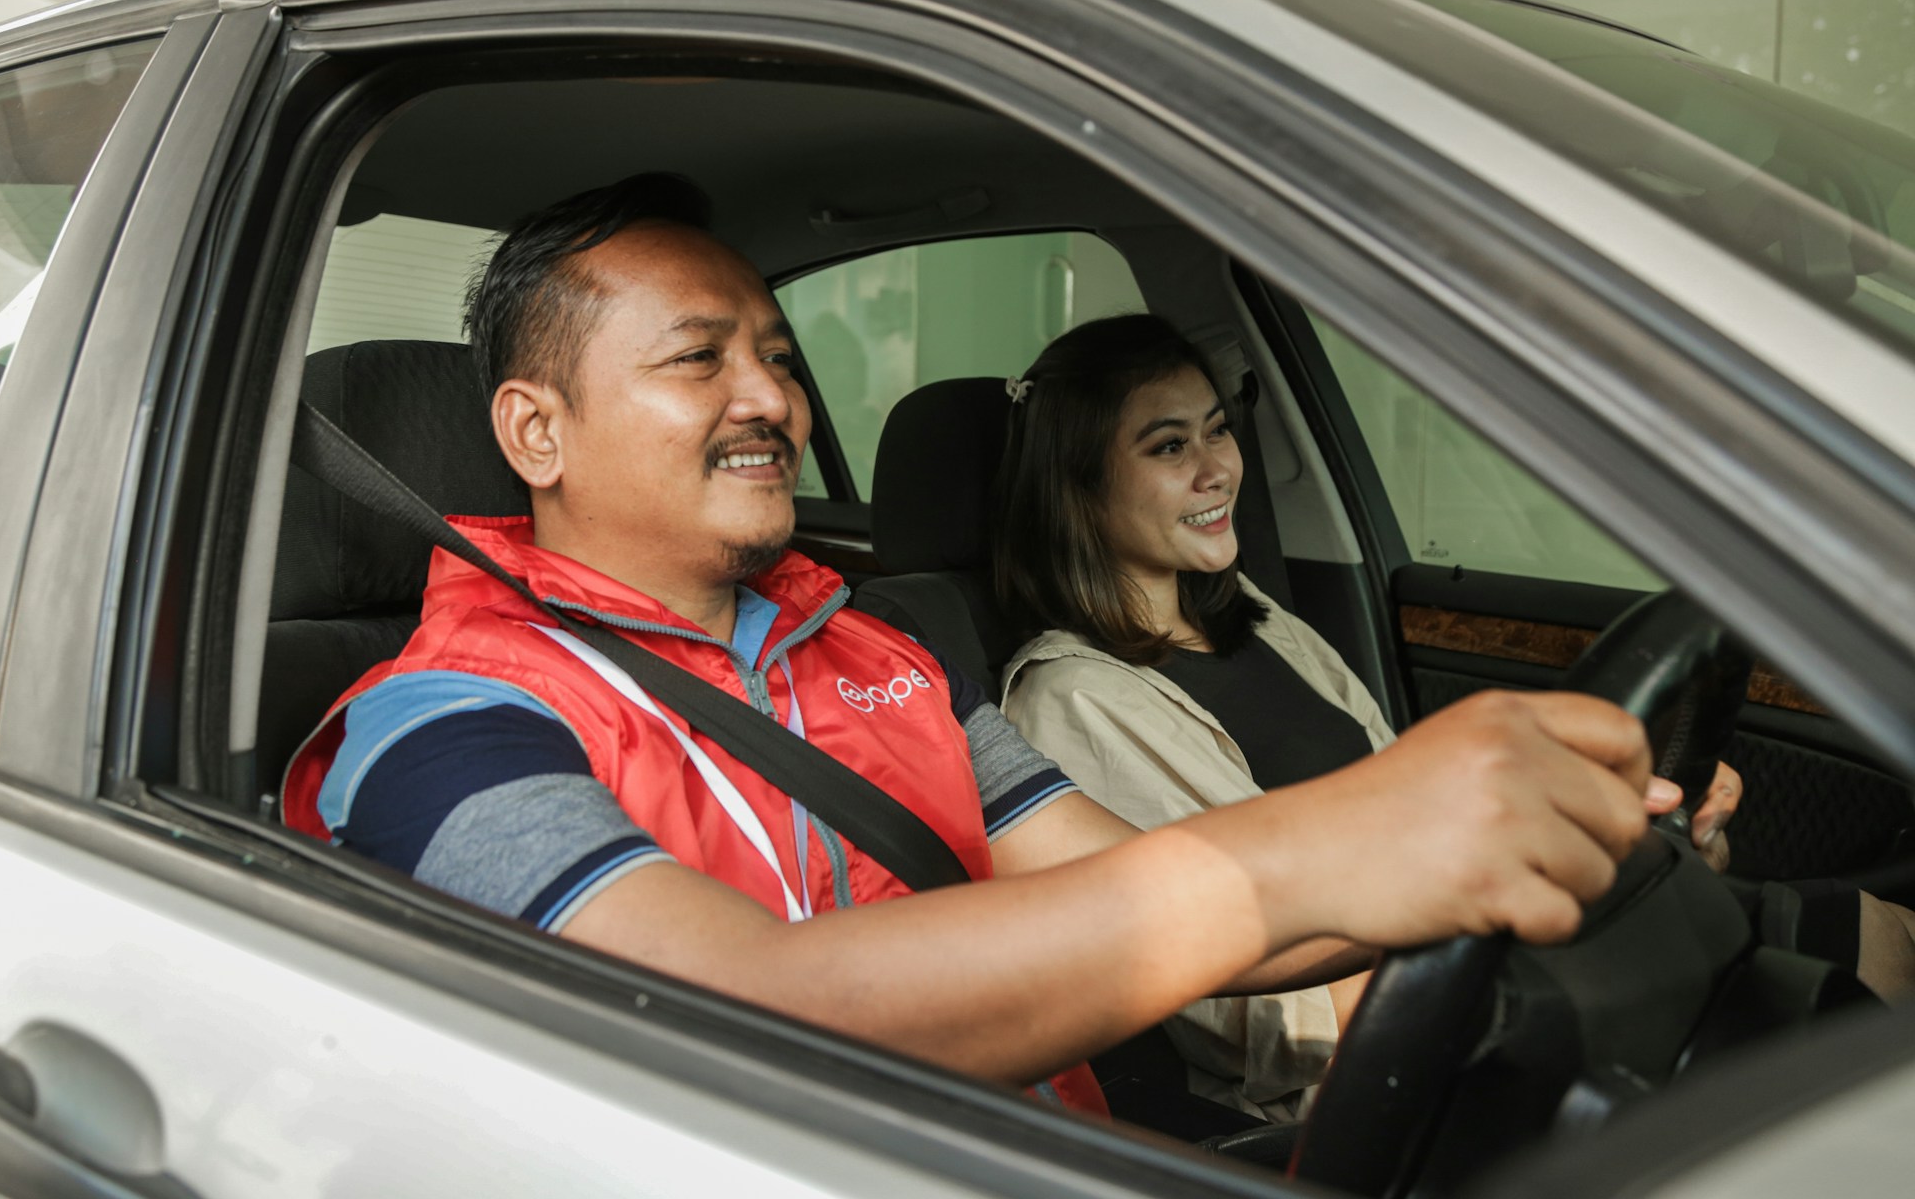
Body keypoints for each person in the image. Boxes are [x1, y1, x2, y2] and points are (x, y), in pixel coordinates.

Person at [282, 174, 1673, 1118]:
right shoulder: (442, 729)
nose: (774, 396)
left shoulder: (877, 656)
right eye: (700, 359)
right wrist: (1332, 840)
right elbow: (747, 1023)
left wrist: (1478, 850)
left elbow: (1154, 910)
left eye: (777, 353)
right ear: (536, 431)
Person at [994, 313, 1912, 1121]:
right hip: (1402, 1041)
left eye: (1219, 430)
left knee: (1878, 934)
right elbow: (1240, 1000)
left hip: (1476, 949)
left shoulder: (1257, 621)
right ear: (1077, 487)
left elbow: (1422, 807)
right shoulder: (1071, 699)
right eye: (1167, 447)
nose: (1216, 468)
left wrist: (1646, 846)